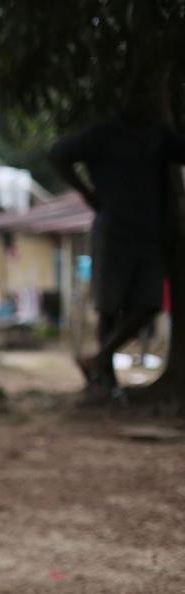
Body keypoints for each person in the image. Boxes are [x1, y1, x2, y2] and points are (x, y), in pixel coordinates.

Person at [49, 76, 185, 399]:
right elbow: (57, 154)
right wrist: (87, 194)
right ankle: (104, 381)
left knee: (149, 304)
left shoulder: (157, 134)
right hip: (114, 231)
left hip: (150, 233)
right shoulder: (103, 133)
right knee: (109, 307)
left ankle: (98, 359)